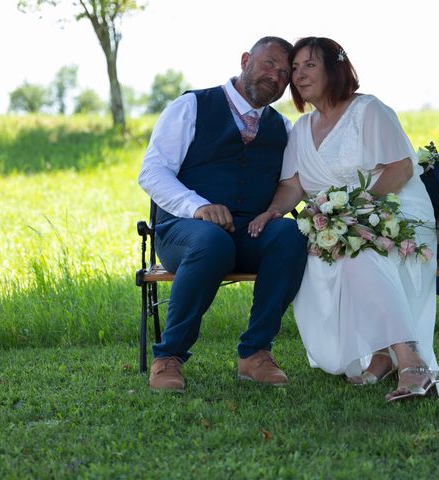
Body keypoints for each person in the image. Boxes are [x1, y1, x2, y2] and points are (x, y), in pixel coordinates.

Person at [248, 37, 439, 401]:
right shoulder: (302, 128)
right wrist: (273, 211)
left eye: (310, 65)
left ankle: (413, 364)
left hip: (391, 207)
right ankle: (383, 357)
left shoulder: (369, 111)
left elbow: (401, 169)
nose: (300, 75)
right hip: (338, 219)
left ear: (334, 69)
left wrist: (358, 205)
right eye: (295, 68)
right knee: (322, 254)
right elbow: (293, 185)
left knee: (361, 258)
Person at [138, 37, 308, 393]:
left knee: (292, 235)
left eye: (283, 73)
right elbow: (152, 172)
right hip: (185, 232)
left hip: (248, 233)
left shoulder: (283, 128)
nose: (275, 76)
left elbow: (293, 183)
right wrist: (197, 206)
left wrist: (274, 213)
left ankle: (255, 353)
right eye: (268, 64)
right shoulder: (191, 106)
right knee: (212, 242)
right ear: (246, 59)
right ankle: (168, 357)